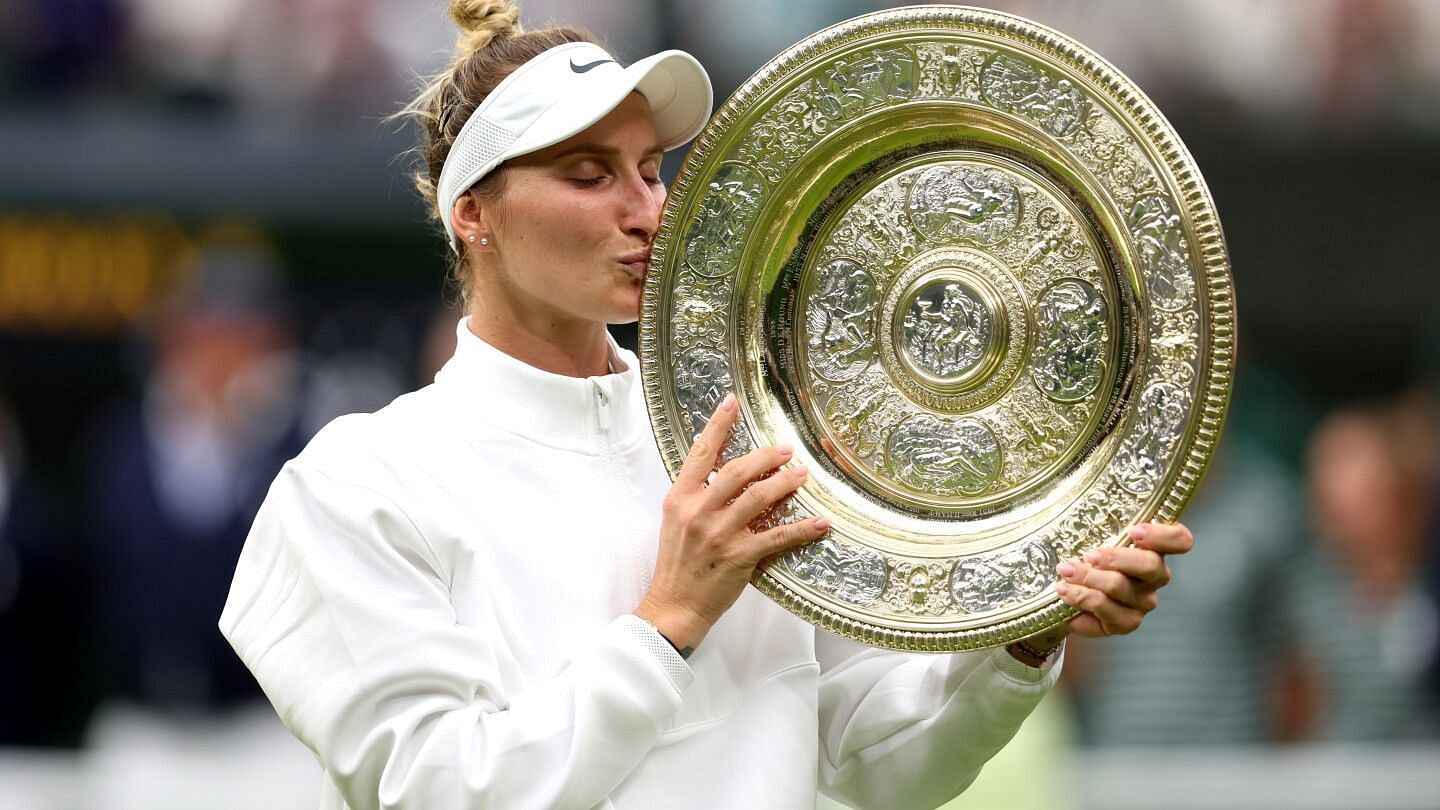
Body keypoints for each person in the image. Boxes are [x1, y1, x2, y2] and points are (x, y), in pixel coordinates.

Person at [220, 2, 1194, 807]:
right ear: (470, 211)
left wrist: (1023, 636)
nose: (646, 208)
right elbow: (436, 792)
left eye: (649, 169)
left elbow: (873, 766)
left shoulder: (751, 439)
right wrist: (668, 620)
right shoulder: (356, 483)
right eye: (588, 174)